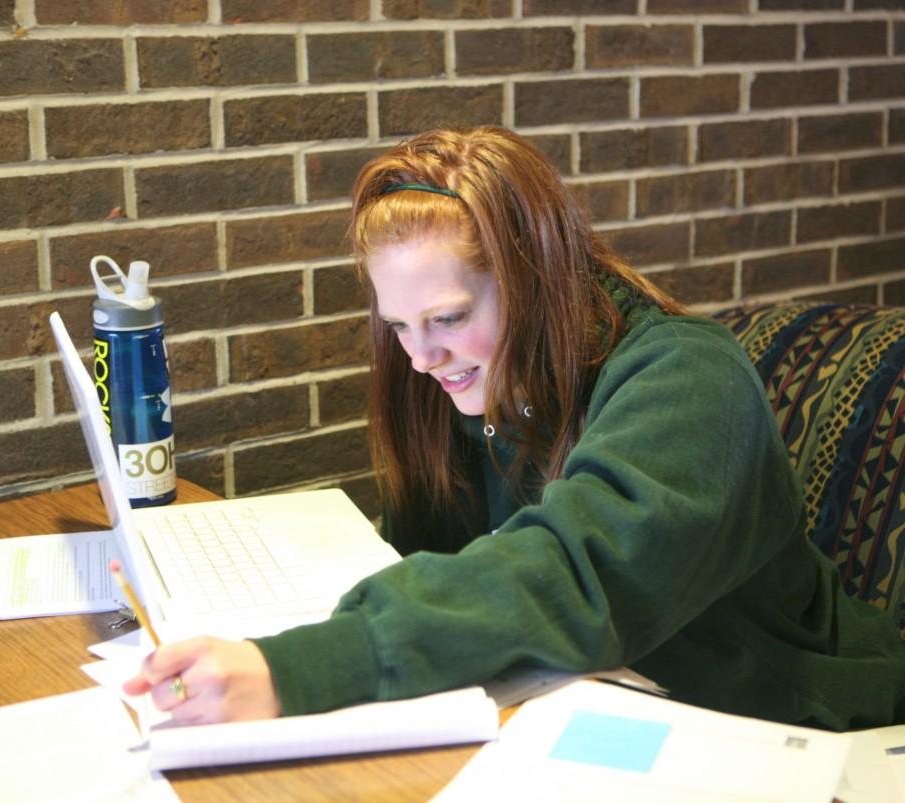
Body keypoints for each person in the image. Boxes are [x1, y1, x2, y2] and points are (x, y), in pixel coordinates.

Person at [125, 126, 905, 730]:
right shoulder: (476, 380)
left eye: (449, 318)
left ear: (537, 280)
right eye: (398, 324)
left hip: (795, 725)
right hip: (609, 703)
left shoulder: (689, 378)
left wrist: (302, 668)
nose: (423, 356)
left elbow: (574, 572)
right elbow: (436, 556)